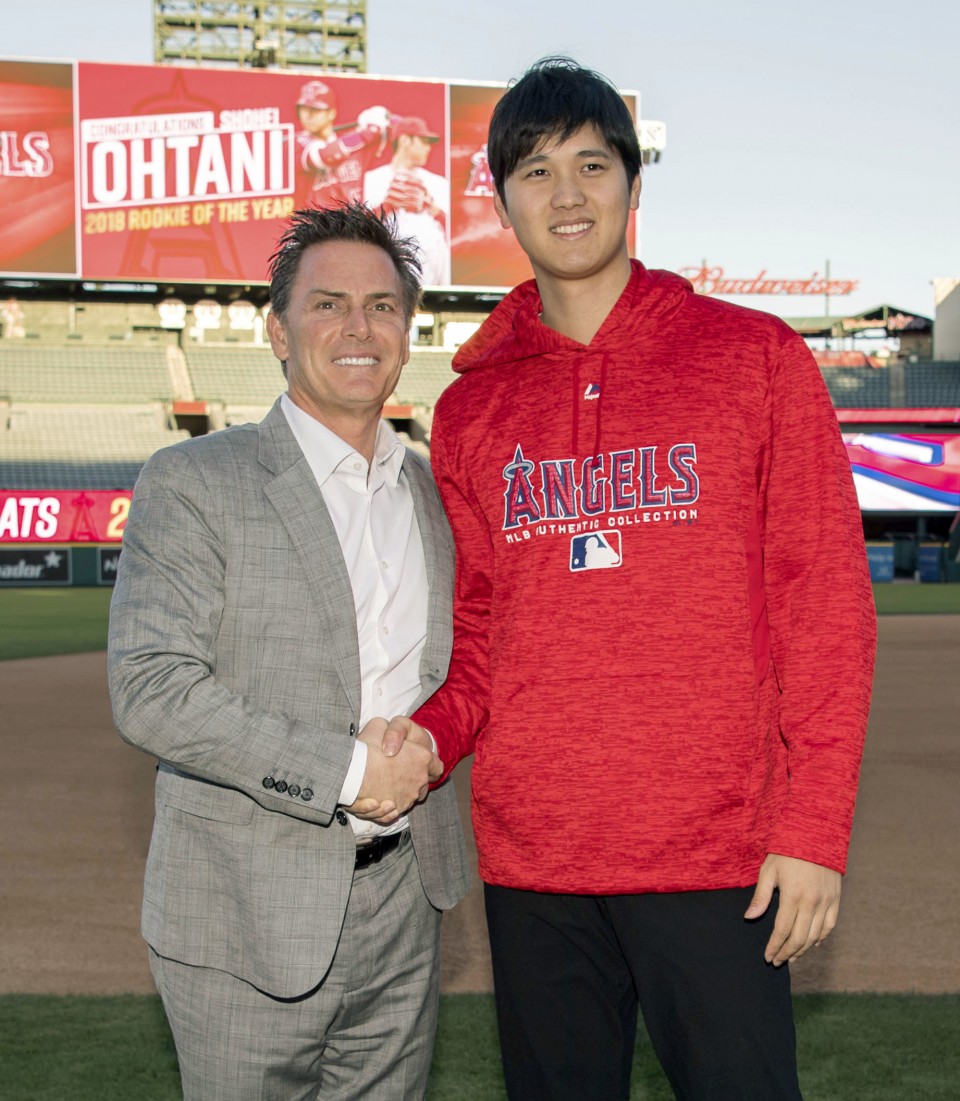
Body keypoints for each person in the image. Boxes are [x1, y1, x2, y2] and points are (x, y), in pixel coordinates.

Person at [386, 58, 877, 1100]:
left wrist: (815, 828)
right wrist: (427, 738)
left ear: (634, 183)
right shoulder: (471, 412)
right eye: (535, 171)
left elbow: (824, 603)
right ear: (504, 201)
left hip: (720, 860)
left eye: (591, 164)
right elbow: (480, 633)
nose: (567, 194)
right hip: (535, 864)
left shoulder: (754, 358)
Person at [108, 203, 469, 1101]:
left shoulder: (434, 492)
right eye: (328, 304)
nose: (359, 327)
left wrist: (425, 747)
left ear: (408, 330)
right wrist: (349, 772)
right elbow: (151, 687)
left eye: (383, 306)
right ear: (277, 329)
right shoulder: (195, 479)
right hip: (242, 909)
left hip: (405, 899)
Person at [364, 116, 451, 286]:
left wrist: (429, 205)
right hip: (388, 258)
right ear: (404, 140)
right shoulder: (373, 178)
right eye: (423, 141)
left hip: (431, 256)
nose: (428, 148)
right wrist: (388, 205)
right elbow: (362, 228)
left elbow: (456, 232)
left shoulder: (438, 182)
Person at [294, 78, 392, 208]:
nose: (308, 115)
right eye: (304, 109)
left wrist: (385, 118)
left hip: (351, 223)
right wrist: (368, 131)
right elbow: (330, 155)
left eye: (315, 109)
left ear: (331, 113)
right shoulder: (298, 143)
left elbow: (402, 130)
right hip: (317, 225)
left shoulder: (353, 144)